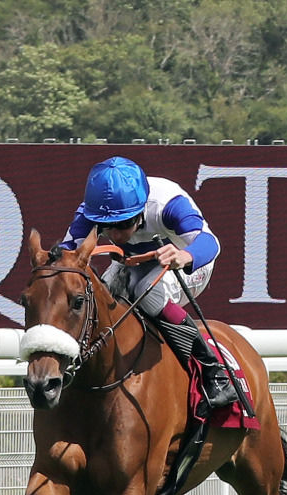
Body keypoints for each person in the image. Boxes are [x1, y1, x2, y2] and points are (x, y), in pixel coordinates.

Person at [59, 156, 238, 409]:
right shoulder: (92, 210)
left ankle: (214, 374)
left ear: (142, 208)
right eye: (106, 226)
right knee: (103, 298)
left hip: (185, 260)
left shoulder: (168, 204)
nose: (116, 235)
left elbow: (211, 243)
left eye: (123, 224)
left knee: (147, 293)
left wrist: (184, 256)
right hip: (133, 262)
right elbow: (65, 255)